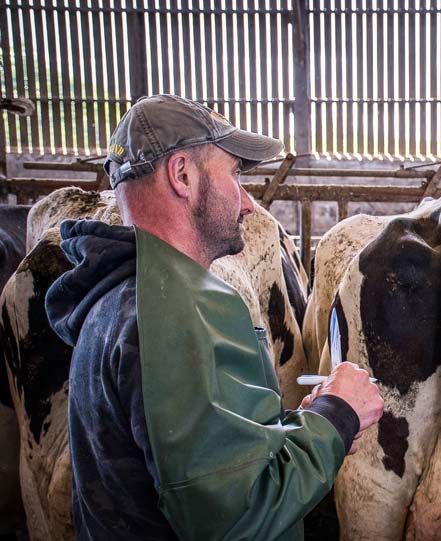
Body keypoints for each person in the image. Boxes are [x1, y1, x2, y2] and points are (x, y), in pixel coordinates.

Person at [44, 94, 384, 540]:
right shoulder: (174, 314)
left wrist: (298, 424)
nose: (247, 203)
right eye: (235, 175)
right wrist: (338, 415)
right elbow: (233, 518)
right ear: (182, 175)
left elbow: (196, 466)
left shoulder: (115, 298)